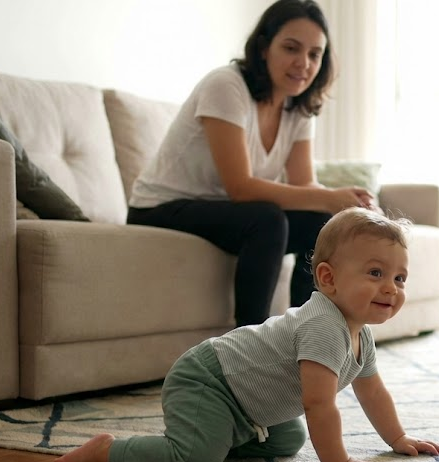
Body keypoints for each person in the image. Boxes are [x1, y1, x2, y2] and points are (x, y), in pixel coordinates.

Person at [51, 207, 439, 462]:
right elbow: (318, 404)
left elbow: (372, 391)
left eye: (400, 278)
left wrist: (397, 439)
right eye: (376, 273)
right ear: (328, 278)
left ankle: (218, 436)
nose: (391, 288)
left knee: (290, 438)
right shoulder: (324, 326)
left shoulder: (360, 333)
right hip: (209, 381)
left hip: (245, 404)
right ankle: (109, 453)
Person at [127, 0, 376, 327]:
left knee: (319, 222)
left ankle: (311, 340)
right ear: (263, 48)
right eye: (291, 48)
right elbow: (241, 188)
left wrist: (346, 206)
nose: (303, 63)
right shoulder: (226, 85)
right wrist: (329, 197)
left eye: (315, 54)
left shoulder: (298, 106)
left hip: (226, 212)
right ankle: (249, 345)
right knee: (267, 219)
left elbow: (304, 185)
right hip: (160, 208)